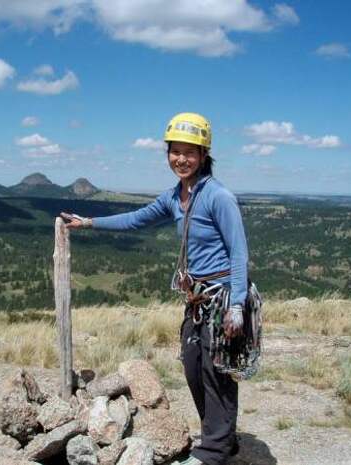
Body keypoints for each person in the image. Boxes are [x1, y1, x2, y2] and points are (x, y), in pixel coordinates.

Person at [62, 112, 249, 465]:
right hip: (198, 299)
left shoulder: (218, 196)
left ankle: (213, 451)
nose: (181, 159)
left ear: (204, 154)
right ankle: (221, 437)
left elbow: (239, 251)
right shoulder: (176, 196)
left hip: (222, 297)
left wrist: (236, 305)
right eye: (175, 151)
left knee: (216, 370)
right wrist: (88, 222)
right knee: (194, 367)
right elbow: (136, 219)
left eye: (189, 152)